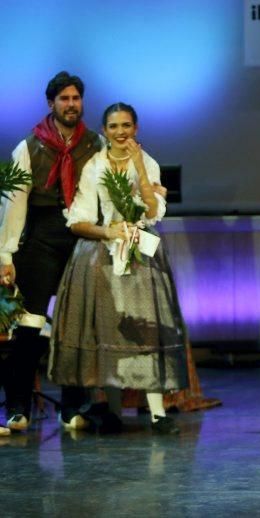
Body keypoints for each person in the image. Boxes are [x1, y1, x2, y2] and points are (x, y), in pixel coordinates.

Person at [48, 102, 187, 434]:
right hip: (104, 253)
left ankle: (157, 413)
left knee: (147, 329)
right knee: (109, 329)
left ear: (135, 128)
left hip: (140, 248)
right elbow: (78, 220)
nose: (120, 132)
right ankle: (112, 410)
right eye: (114, 126)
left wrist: (138, 163)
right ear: (104, 131)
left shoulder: (147, 163)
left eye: (126, 125)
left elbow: (153, 211)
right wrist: (107, 231)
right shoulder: (95, 165)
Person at [0, 71, 104, 432]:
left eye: (76, 98)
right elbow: (14, 205)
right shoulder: (29, 147)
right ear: (51, 103)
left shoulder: (95, 143)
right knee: (29, 325)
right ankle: (17, 408)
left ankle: (72, 408)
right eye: (64, 99)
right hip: (41, 237)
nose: (71, 104)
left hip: (80, 237)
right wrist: (6, 255)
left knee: (74, 326)